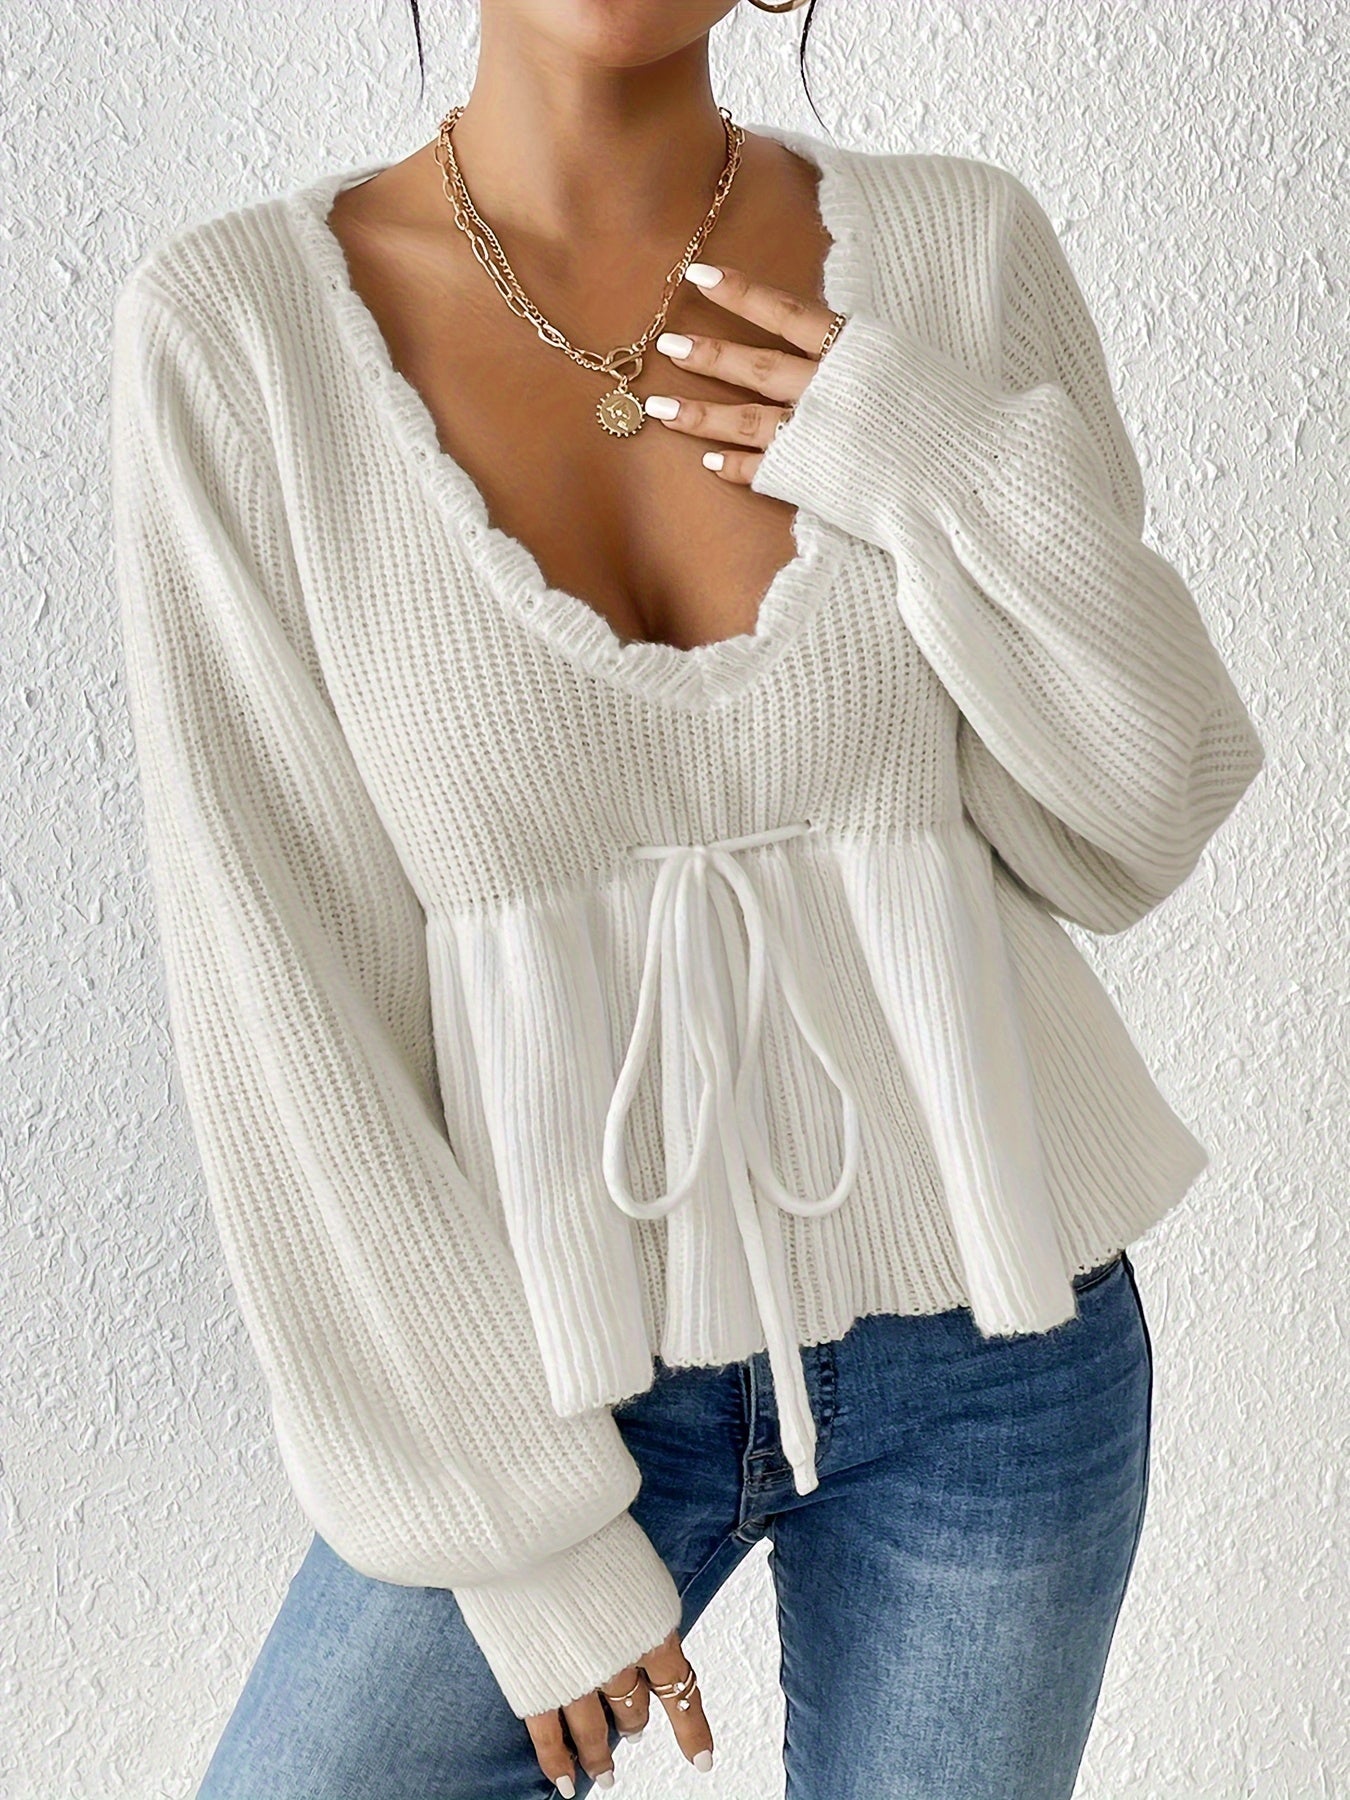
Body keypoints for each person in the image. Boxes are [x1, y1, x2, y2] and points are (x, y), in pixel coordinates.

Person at [109, 2, 1266, 1795]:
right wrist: (512, 1525)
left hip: (1001, 1348)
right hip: (543, 1369)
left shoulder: (954, 250)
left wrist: (928, 458)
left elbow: (1133, 817)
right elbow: (278, 987)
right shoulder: (237, 328)